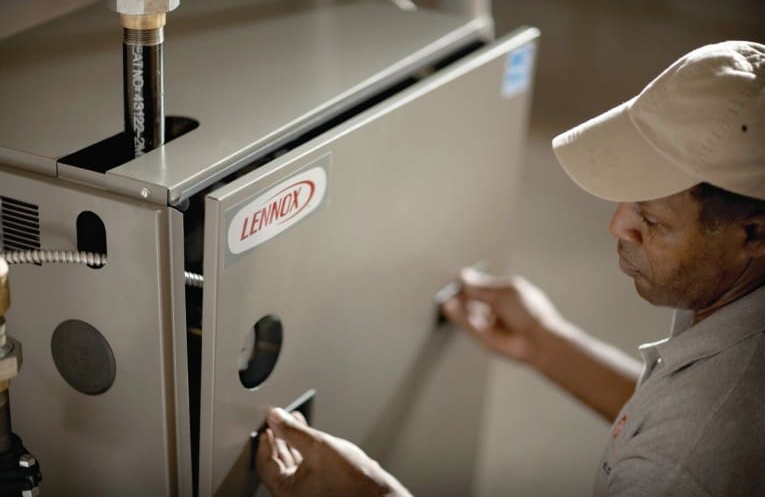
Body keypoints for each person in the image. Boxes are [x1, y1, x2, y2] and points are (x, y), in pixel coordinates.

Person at [256, 40, 765, 497]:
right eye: (630, 196)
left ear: (754, 235)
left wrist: (373, 493)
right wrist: (548, 344)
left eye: (651, 220)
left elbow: (684, 437)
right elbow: (667, 415)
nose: (617, 225)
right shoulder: (727, 292)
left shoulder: (680, 473)